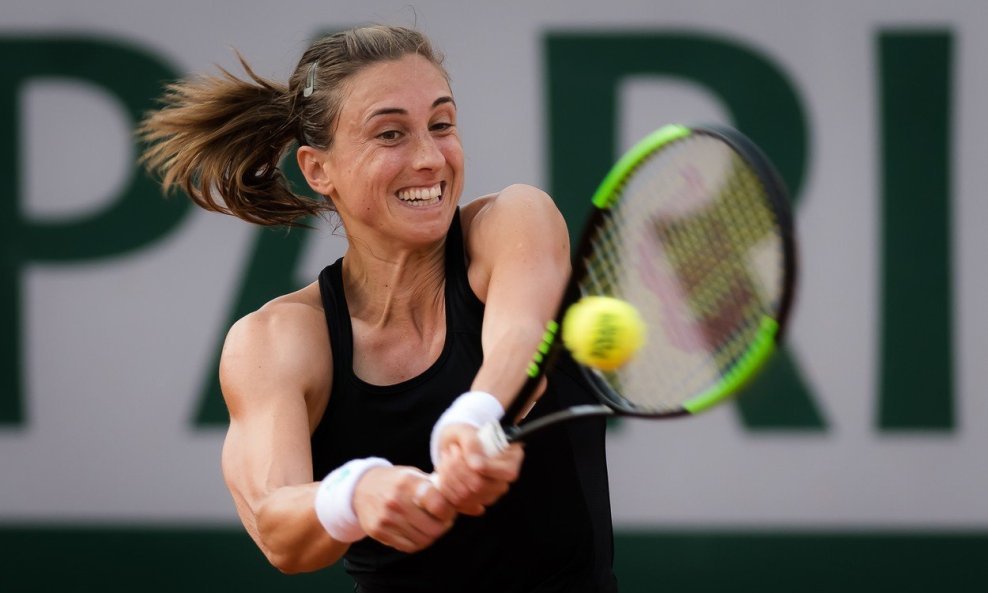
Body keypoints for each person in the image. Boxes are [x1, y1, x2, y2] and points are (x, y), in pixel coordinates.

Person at [140, 25, 617, 593]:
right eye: (390, 134)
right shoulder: (277, 341)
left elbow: (522, 336)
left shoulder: (515, 221)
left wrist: (473, 417)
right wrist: (355, 494)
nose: (430, 158)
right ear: (318, 170)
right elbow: (275, 526)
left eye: (442, 125)